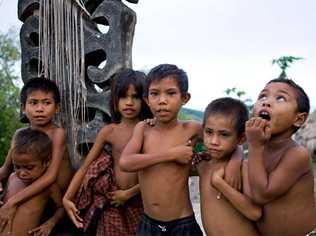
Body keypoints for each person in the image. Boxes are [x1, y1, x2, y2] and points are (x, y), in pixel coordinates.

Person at [120, 64, 241, 236]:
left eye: (170, 93)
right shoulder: (143, 129)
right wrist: (171, 154)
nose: (162, 101)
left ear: (185, 98)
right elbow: (126, 162)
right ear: (147, 99)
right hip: (149, 224)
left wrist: (235, 162)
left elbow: (231, 140)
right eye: (155, 94)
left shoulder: (190, 129)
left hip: (182, 224)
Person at [63, 68, 152, 235]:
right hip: (112, 203)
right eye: (123, 97)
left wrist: (128, 193)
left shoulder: (150, 130)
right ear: (115, 100)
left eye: (135, 97)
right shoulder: (109, 131)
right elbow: (85, 167)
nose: (129, 103)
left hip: (141, 201)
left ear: (145, 100)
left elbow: (156, 173)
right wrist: (67, 198)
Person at [0, 78, 73, 232]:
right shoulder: (20, 134)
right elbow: (6, 169)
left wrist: (12, 203)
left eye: (46, 103)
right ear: (23, 108)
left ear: (57, 107)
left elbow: (50, 177)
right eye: (33, 103)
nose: (40, 109)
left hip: (53, 197)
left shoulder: (57, 133)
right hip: (27, 189)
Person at [246, 78, 316, 236]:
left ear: (298, 119)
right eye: (263, 96)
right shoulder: (258, 152)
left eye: (280, 98)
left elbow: (262, 194)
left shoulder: (297, 154)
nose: (266, 102)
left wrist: (254, 146)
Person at [197, 97, 261, 236]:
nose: (214, 141)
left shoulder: (242, 169)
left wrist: (220, 184)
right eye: (209, 132)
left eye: (224, 135)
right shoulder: (202, 165)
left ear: (241, 138)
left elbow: (255, 213)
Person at [1, 128, 64, 235]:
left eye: (29, 168)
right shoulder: (12, 178)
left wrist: (50, 223)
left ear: (46, 163)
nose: (22, 173)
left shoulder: (49, 186)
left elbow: (62, 208)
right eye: (17, 167)